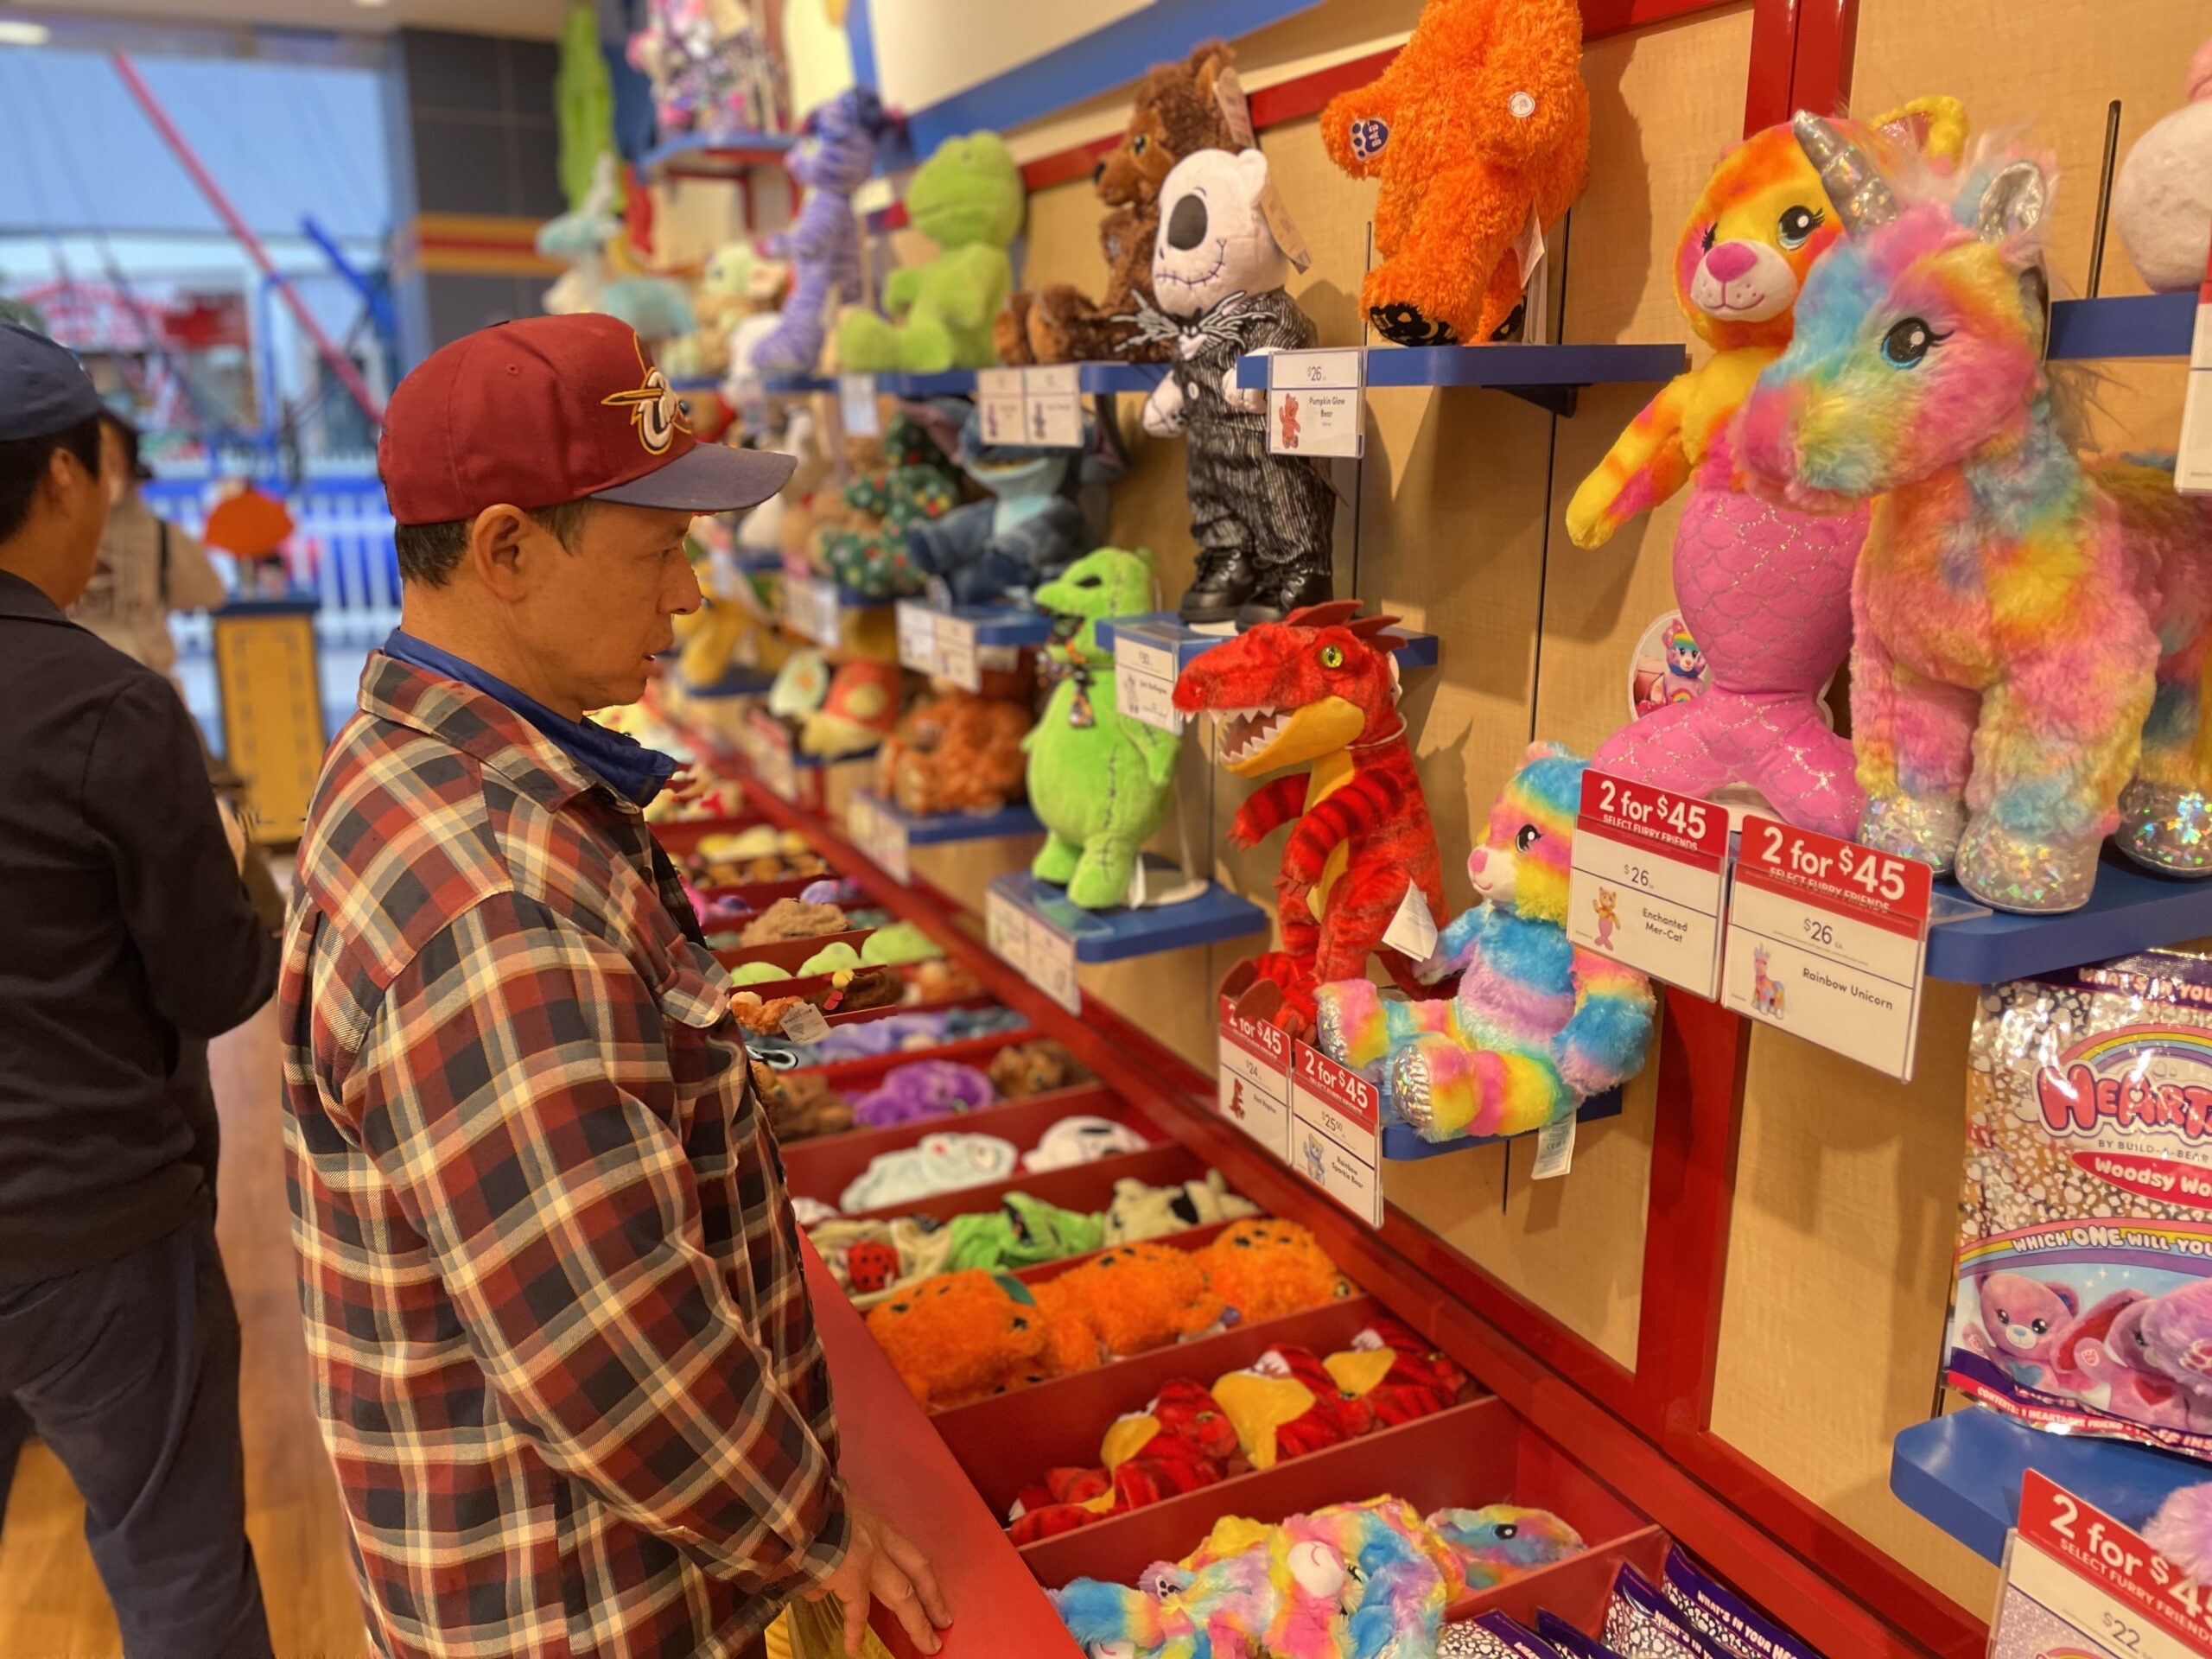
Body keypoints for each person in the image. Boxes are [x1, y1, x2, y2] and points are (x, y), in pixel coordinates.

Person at [279, 314, 951, 1659]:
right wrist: (817, 1531)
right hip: (588, 1605)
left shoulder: (434, 770)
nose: (689, 595)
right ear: (507, 551)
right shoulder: (489, 898)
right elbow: (599, 1341)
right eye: (658, 552)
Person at [0, 321, 277, 1656]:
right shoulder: (104, 706)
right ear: (67, 475)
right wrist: (241, 874)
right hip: (91, 1219)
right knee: (175, 1562)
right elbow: (216, 983)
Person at [69, 410, 228, 684]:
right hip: (82, 685)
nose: (101, 473)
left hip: (144, 684)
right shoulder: (53, 534)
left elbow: (209, 591)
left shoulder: (160, 535)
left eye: (110, 462)